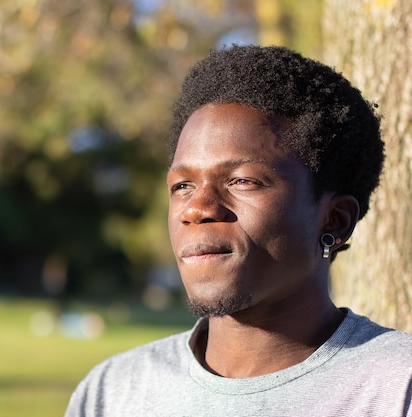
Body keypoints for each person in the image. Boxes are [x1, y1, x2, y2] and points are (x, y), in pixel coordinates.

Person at [64, 45, 412, 416]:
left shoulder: (396, 390)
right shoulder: (114, 393)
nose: (197, 208)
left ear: (335, 219)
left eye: (242, 181)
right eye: (182, 185)